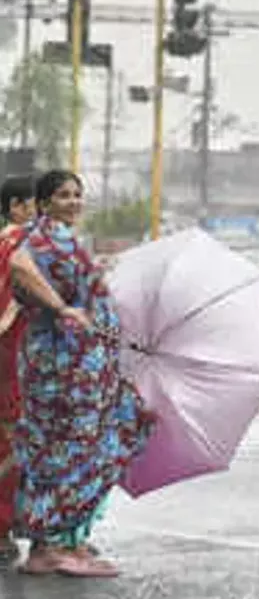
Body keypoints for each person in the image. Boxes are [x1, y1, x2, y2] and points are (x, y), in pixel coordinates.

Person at [10, 169, 155, 577]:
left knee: (68, 446)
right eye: (63, 195)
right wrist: (62, 308)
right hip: (63, 366)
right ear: (44, 203)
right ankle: (53, 545)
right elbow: (19, 267)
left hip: (76, 364)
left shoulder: (58, 238)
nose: (74, 201)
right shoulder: (46, 236)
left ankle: (59, 542)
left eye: (78, 194)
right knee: (72, 446)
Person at [0, 176, 36, 564]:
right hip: (15, 355)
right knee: (12, 442)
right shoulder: (19, 247)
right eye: (32, 205)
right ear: (14, 207)